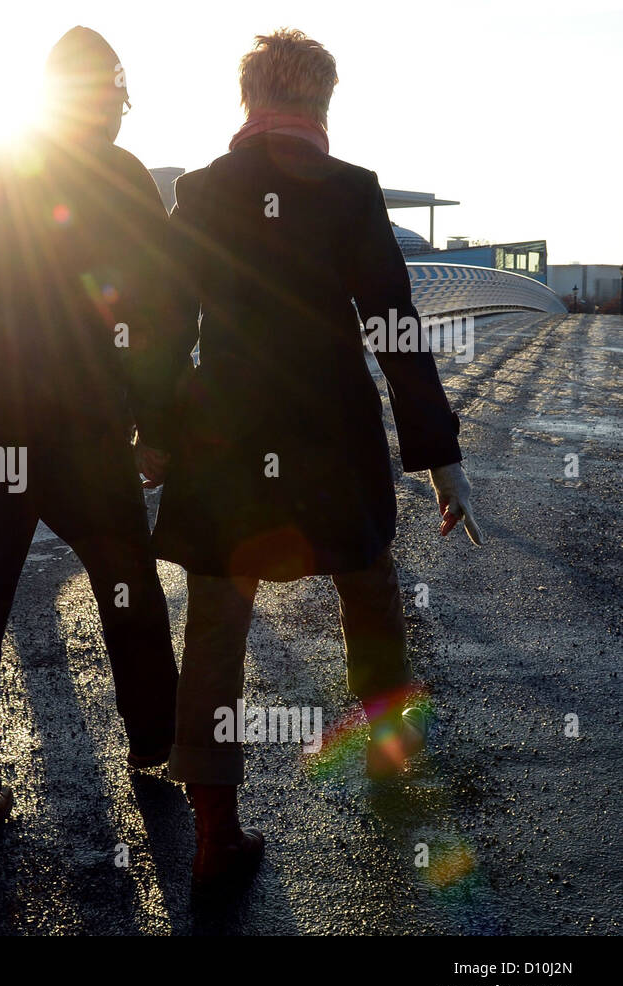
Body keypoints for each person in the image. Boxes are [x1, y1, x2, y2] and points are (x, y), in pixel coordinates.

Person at [145, 28, 484, 888]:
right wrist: (441, 459)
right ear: (322, 102)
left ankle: (217, 833)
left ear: (249, 98)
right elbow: (395, 328)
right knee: (368, 591)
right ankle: (387, 762)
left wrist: (149, 432)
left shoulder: (203, 190)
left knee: (216, 626)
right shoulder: (352, 191)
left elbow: (160, 328)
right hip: (333, 432)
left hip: (223, 438)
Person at [0, 26, 186, 859]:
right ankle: (154, 746)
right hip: (80, 425)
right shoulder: (121, 176)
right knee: (128, 589)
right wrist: (156, 428)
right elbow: (160, 313)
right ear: (111, 95)